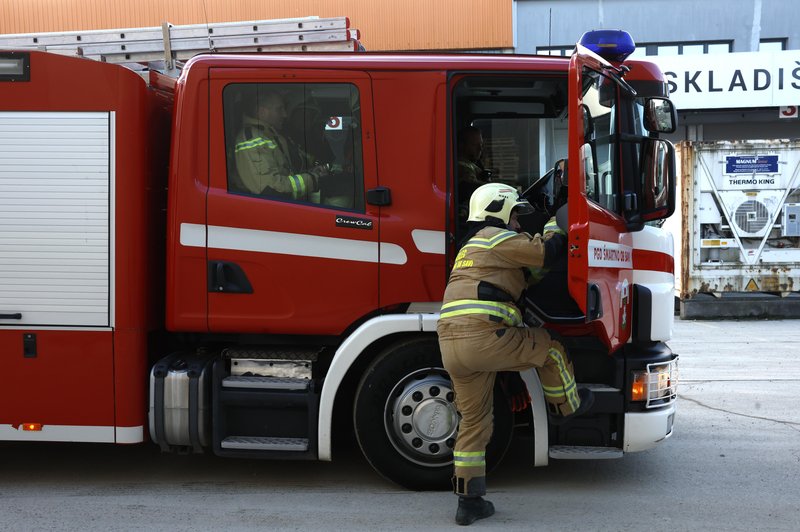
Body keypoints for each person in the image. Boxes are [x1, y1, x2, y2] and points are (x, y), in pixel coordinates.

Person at [436, 182, 594, 526]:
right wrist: (555, 221)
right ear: (498, 211)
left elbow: (526, 274)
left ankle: (469, 501)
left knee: (474, 421)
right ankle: (567, 409)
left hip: (451, 346)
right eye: (516, 215)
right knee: (548, 348)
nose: (520, 224)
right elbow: (545, 253)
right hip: (484, 338)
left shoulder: (471, 247)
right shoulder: (496, 236)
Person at [233, 91, 329, 200]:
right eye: (279, 109)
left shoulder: (272, 135)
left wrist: (311, 173)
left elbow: (285, 173)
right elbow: (270, 189)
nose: (285, 114)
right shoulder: (251, 139)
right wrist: (313, 179)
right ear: (262, 112)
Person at [457, 126, 491, 206]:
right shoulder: (461, 167)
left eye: (481, 144)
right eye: (474, 144)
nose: (480, 148)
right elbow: (474, 188)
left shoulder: (473, 164)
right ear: (461, 145)